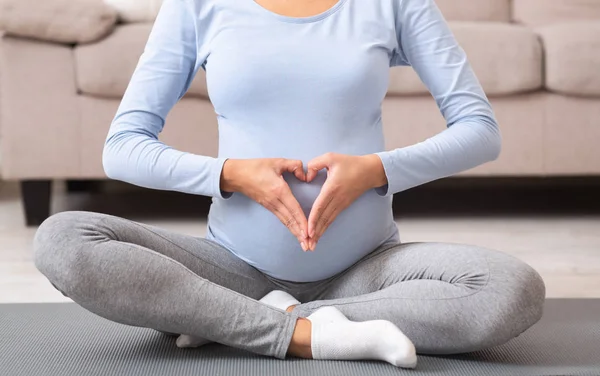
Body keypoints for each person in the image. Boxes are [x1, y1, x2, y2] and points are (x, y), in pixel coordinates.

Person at [33, 0, 546, 369]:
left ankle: (236, 322)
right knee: (63, 240)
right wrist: (229, 174)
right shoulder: (196, 6)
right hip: (231, 267)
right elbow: (122, 147)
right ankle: (307, 336)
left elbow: (480, 130)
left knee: (510, 289)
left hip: (368, 272)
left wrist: (376, 169)